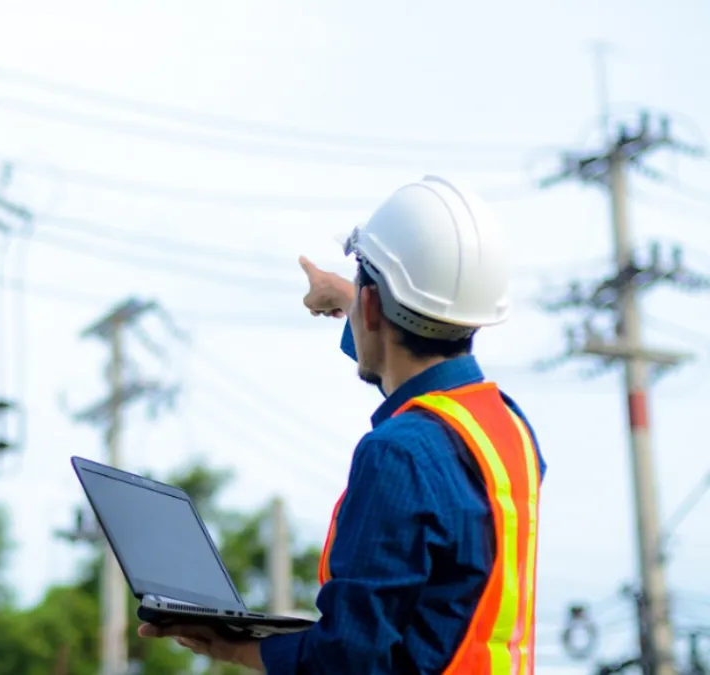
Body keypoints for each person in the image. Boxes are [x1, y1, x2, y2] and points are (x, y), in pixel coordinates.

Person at [139, 175, 546, 674]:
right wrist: (357, 302)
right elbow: (421, 380)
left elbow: (346, 658)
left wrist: (231, 646)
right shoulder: (508, 431)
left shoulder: (396, 455)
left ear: (372, 306)